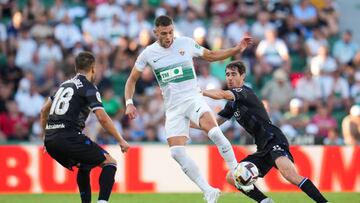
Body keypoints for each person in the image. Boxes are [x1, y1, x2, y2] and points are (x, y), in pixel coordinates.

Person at [124, 15, 252, 203]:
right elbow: (131, 80)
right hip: (173, 108)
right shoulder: (148, 54)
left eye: (170, 32)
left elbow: (211, 55)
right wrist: (129, 102)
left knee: (215, 132)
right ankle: (208, 190)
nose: (168, 37)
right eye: (163, 34)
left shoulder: (185, 43)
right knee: (176, 152)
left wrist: (237, 49)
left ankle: (237, 173)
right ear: (155, 33)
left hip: (193, 98)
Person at [201, 60, 329, 203]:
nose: (230, 78)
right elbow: (212, 123)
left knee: (290, 175)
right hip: (262, 147)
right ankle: (265, 201)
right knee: (232, 177)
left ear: (243, 76)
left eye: (233, 74)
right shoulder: (232, 105)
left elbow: (222, 94)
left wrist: (201, 91)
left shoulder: (244, 92)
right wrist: (185, 123)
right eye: (227, 75)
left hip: (274, 139)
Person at [40, 52, 130, 203]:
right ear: (93, 69)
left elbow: (44, 110)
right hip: (68, 136)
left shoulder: (64, 85)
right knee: (110, 162)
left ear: (76, 67)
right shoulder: (89, 88)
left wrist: (45, 136)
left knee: (85, 166)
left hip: (51, 140)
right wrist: (120, 140)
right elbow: (102, 117)